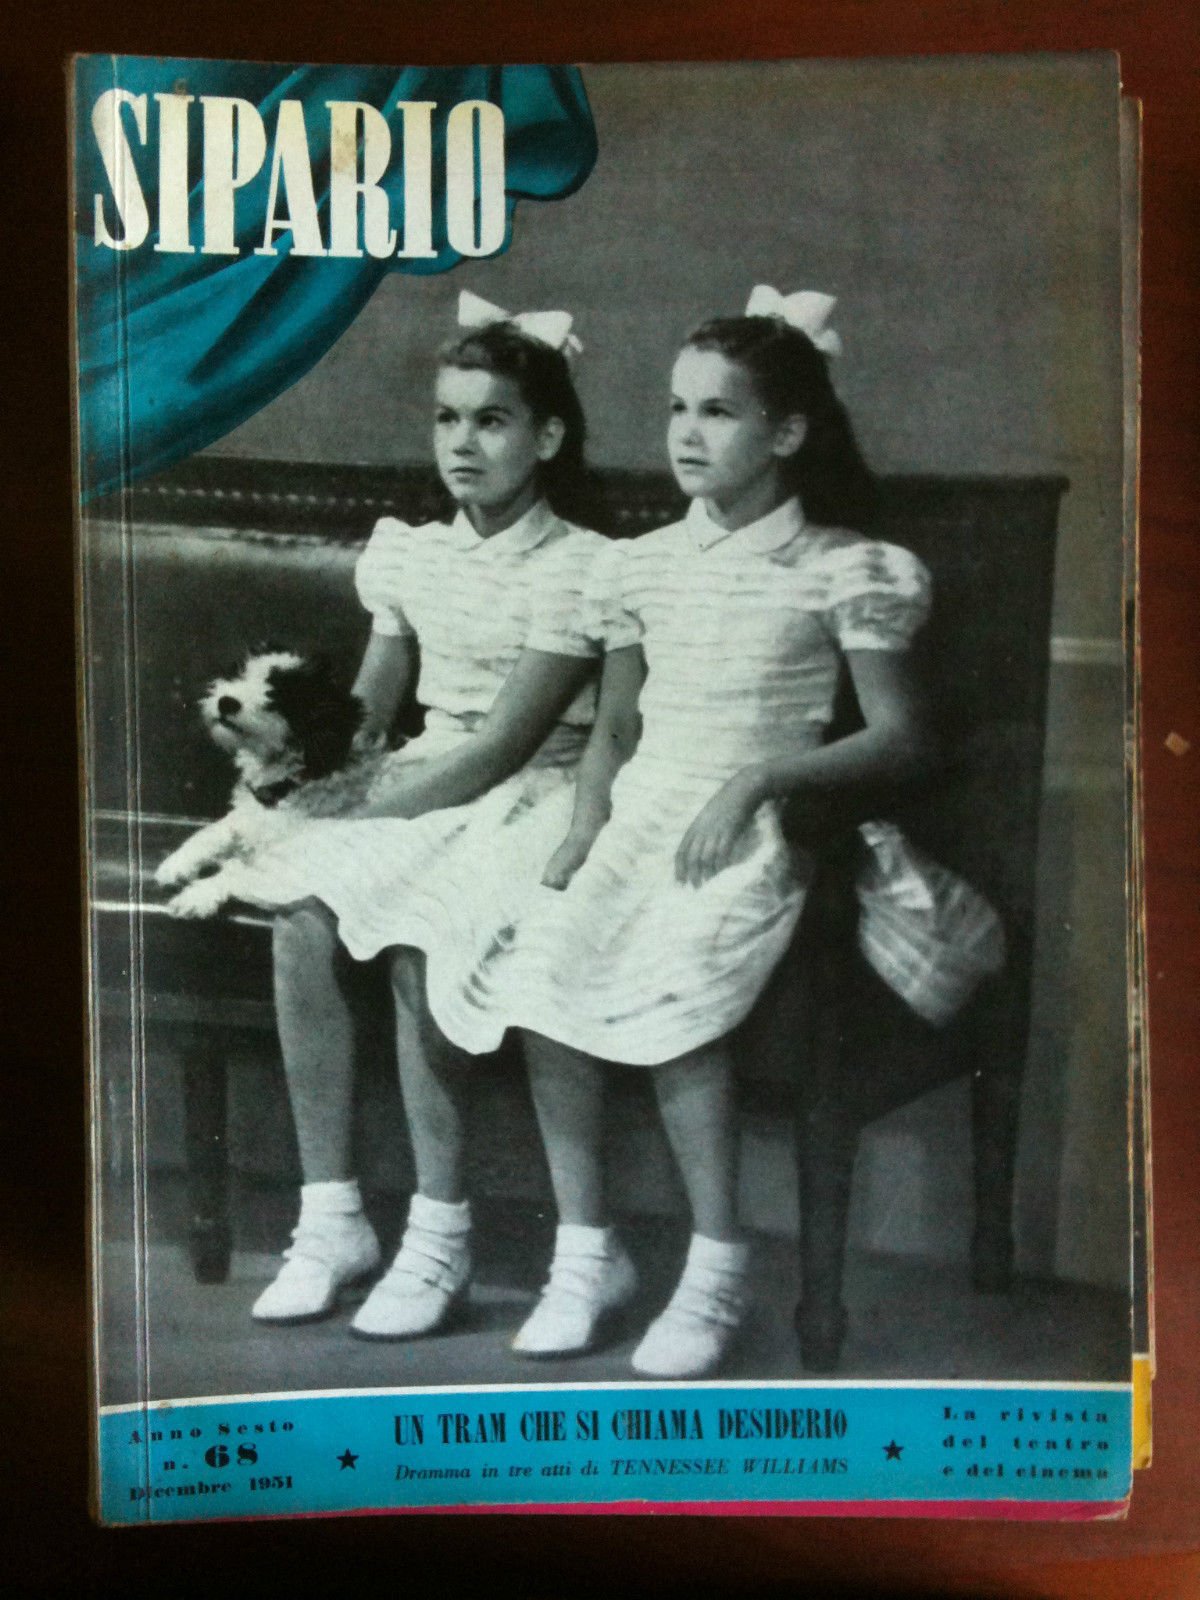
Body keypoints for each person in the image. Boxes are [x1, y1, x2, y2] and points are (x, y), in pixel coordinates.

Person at [445, 287, 1003, 1379]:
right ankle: (587, 1252)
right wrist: (583, 832)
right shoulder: (639, 564)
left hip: (757, 826)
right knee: (542, 971)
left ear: (786, 433)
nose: (687, 434)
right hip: (640, 816)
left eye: (718, 412)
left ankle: (715, 1266)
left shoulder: (845, 564)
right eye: (676, 408)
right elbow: (615, 731)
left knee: (679, 982)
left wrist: (759, 779)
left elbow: (902, 737)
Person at [227, 291, 611, 1340]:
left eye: (492, 421)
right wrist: (303, 776)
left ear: (548, 437)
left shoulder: (580, 566)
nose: (463, 443)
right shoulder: (411, 552)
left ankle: (440, 1235)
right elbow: (370, 712)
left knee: (419, 925)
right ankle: (333, 1218)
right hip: (426, 774)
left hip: (532, 791)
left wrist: (365, 813)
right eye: (447, 418)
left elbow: (503, 747)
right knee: (300, 910)